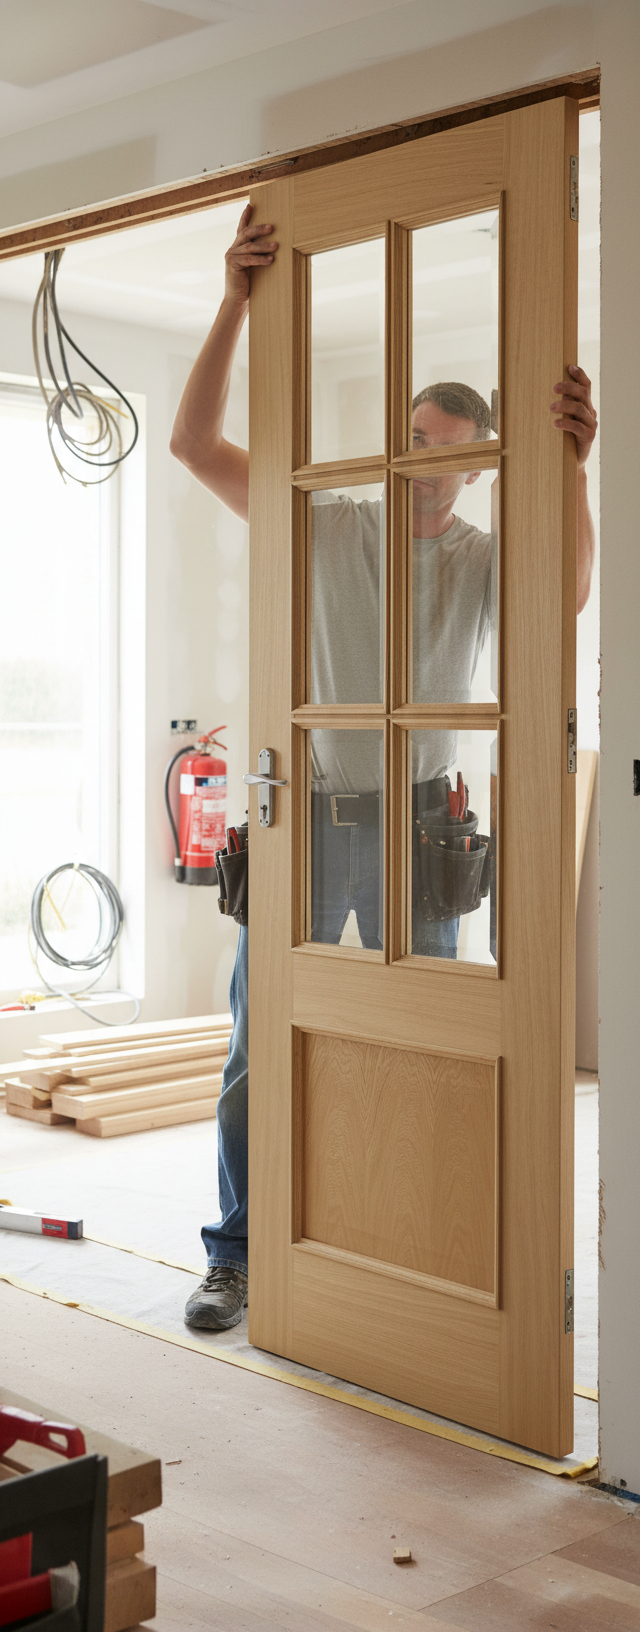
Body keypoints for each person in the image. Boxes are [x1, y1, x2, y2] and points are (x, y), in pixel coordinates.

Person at [170, 205, 598, 1330]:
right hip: (308, 815)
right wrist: (230, 300)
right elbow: (194, 446)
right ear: (396, 442)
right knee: (262, 1050)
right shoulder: (329, 523)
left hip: (422, 827)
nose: (424, 468)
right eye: (413, 442)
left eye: (448, 454)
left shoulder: (485, 560)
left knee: (426, 1046)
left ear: (474, 467)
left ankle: (402, 1258)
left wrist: (574, 464)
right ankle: (238, 1255)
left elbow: (570, 592)